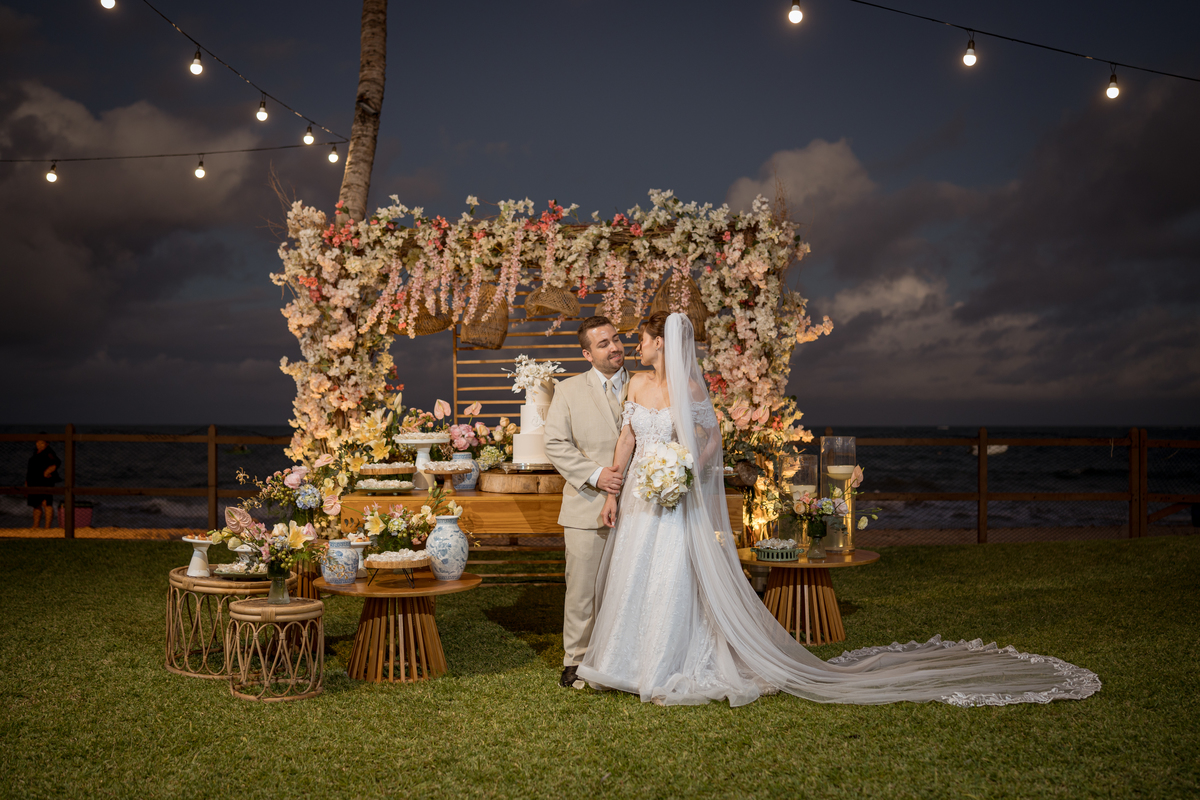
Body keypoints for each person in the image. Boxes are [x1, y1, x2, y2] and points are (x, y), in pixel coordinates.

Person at [576, 312, 1101, 707]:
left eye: (640, 339)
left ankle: (667, 664)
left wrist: (684, 469)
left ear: (660, 342)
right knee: (634, 576)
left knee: (672, 578)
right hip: (643, 500)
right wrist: (615, 492)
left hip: (675, 499)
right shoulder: (638, 386)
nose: (633, 346)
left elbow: (709, 443)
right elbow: (627, 438)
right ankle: (624, 662)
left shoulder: (689, 387)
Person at [544, 316, 630, 689]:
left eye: (616, 339)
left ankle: (625, 657)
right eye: (603, 344)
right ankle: (576, 660)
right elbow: (555, 444)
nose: (614, 347)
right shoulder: (568, 390)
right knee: (582, 589)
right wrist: (597, 476)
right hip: (586, 503)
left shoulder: (644, 385)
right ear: (587, 354)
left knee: (630, 586)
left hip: (642, 506)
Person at [26, 437, 61, 529]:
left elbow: (57, 462)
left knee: (46, 503)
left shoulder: (49, 452)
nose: (39, 445)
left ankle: (47, 527)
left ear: (47, 443)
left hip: (45, 481)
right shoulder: (35, 452)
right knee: (35, 504)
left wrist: (49, 470)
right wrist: (26, 482)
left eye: (42, 443)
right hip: (33, 481)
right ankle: (36, 525)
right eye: (37, 443)